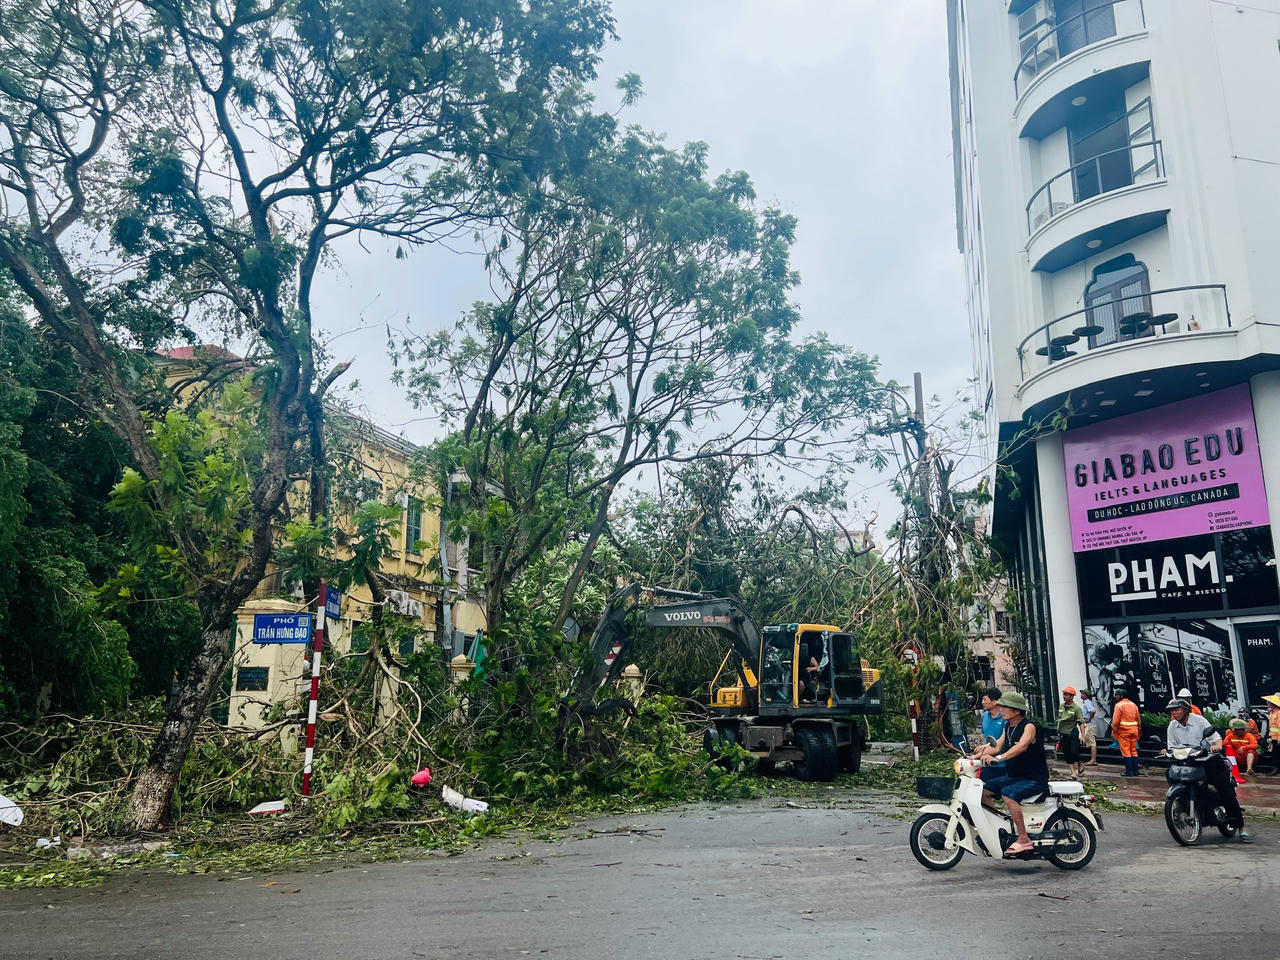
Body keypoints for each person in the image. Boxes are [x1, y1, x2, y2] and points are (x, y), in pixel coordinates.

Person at [973, 690, 1050, 857]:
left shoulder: (1029, 726)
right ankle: (1000, 827)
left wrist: (999, 758)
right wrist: (973, 757)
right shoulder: (1009, 727)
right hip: (1015, 776)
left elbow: (1021, 746)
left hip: (1034, 779)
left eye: (1004, 707)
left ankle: (1023, 839)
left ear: (1016, 710)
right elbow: (996, 746)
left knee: (1008, 794)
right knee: (981, 791)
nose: (1001, 710)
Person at [1166, 697, 1252, 843]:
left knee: (1226, 791)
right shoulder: (1172, 726)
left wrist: (1217, 745)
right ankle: (1184, 803)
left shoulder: (1200, 721)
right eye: (1172, 710)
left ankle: (1241, 827)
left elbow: (1216, 738)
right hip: (1187, 762)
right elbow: (1171, 746)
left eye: (1177, 709)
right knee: (1170, 774)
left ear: (1186, 710)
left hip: (1207, 760)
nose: (1174, 713)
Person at [1057, 686, 1086, 779]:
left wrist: (1083, 736)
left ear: (1071, 696)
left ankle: (1080, 765)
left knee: (1075, 752)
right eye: (1064, 694)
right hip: (1062, 733)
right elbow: (1059, 719)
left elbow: (1081, 722)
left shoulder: (1076, 709)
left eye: (1066, 695)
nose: (1064, 696)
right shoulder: (1061, 706)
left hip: (1072, 732)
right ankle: (1073, 773)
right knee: (1067, 753)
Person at [1111, 686, 1142, 776]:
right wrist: (1139, 731)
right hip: (1134, 731)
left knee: (1126, 751)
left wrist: (1114, 732)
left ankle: (1129, 771)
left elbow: (1115, 721)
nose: (1115, 697)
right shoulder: (1133, 705)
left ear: (1121, 696)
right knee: (1133, 750)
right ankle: (1136, 771)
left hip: (1123, 731)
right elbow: (1138, 720)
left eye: (1116, 695)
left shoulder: (1119, 705)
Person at [978, 686, 1007, 780]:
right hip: (986, 763)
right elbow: (985, 738)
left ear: (994, 702)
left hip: (1003, 764)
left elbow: (1000, 745)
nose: (982, 702)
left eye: (984, 700)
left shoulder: (1005, 718)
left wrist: (975, 756)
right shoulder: (984, 716)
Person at [1079, 689, 1098, 766]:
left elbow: (1093, 711)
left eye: (1083, 694)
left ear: (1086, 695)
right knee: (1087, 741)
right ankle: (1093, 759)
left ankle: (1093, 760)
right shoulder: (1086, 702)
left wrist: (1089, 719)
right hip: (1088, 725)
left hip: (1089, 725)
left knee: (1092, 742)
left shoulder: (1087, 702)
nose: (1081, 695)